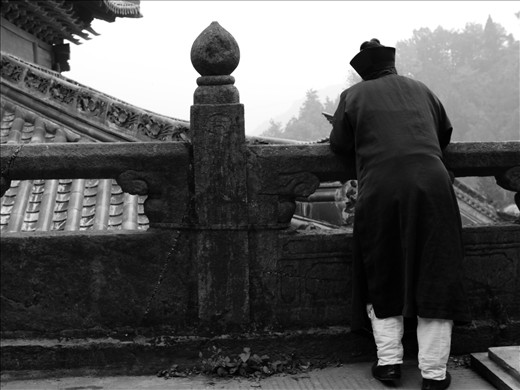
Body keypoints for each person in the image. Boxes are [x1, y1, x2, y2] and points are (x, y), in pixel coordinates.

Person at [329, 39, 471, 390]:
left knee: (384, 269)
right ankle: (434, 375)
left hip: (382, 188)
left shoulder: (354, 96)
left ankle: (390, 364)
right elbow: (444, 134)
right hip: (433, 185)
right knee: (436, 271)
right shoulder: (421, 89)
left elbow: (339, 144)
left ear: (362, 70)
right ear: (391, 65)